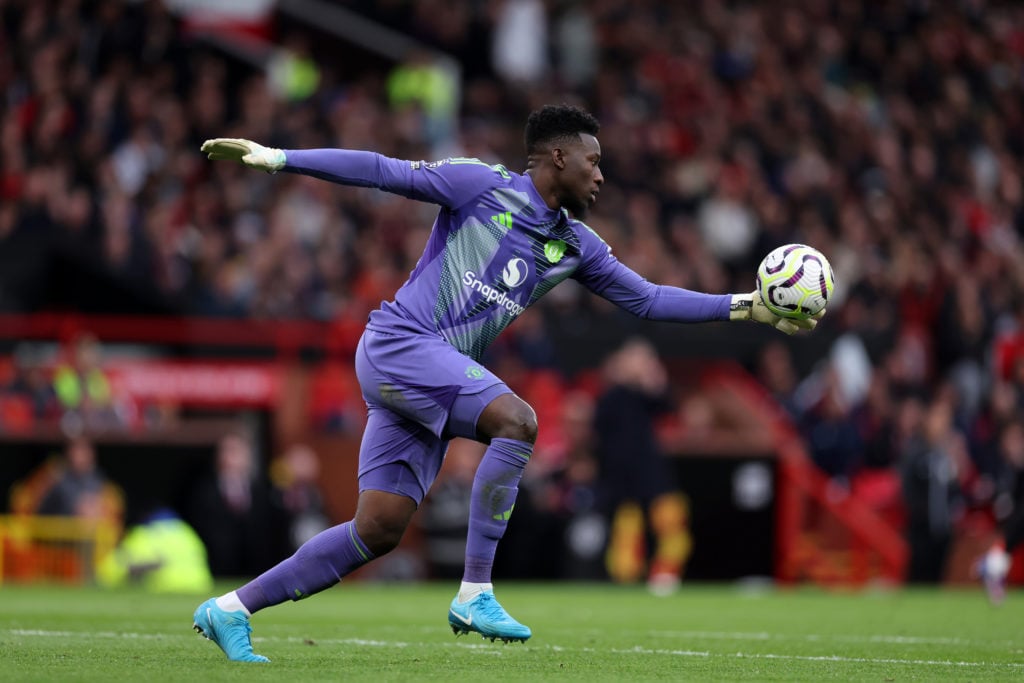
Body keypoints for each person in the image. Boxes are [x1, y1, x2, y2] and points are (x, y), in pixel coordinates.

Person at [192, 104, 822, 662]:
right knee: (519, 420)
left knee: (377, 530)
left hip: (421, 380)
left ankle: (231, 610)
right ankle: (476, 591)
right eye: (593, 162)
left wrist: (750, 307)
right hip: (400, 345)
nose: (601, 176)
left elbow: (652, 300)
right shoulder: (479, 184)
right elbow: (384, 170)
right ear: (558, 157)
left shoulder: (577, 245)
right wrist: (278, 158)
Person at [593, 338, 692, 596]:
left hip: (652, 474)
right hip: (621, 477)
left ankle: (665, 575)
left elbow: (668, 408)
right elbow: (599, 431)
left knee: (671, 524)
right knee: (626, 532)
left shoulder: (648, 397)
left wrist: (654, 384)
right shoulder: (612, 396)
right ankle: (625, 582)